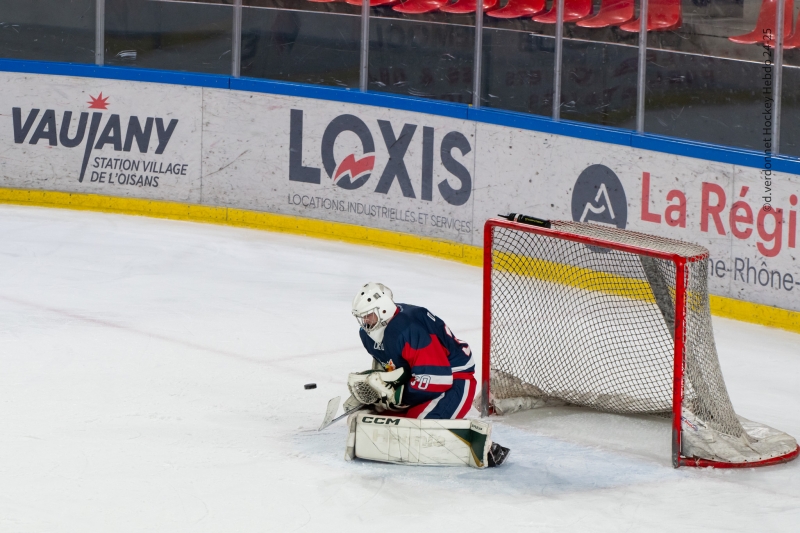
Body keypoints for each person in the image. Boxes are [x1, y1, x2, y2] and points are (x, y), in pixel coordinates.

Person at [349, 282, 476, 419]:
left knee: (416, 427)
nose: (365, 320)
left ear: (383, 309)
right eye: (362, 316)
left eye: (369, 314)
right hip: (417, 379)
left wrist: (397, 397)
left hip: (455, 378)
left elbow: (437, 378)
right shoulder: (367, 333)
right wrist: (377, 391)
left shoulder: (409, 329)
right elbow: (389, 363)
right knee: (373, 420)